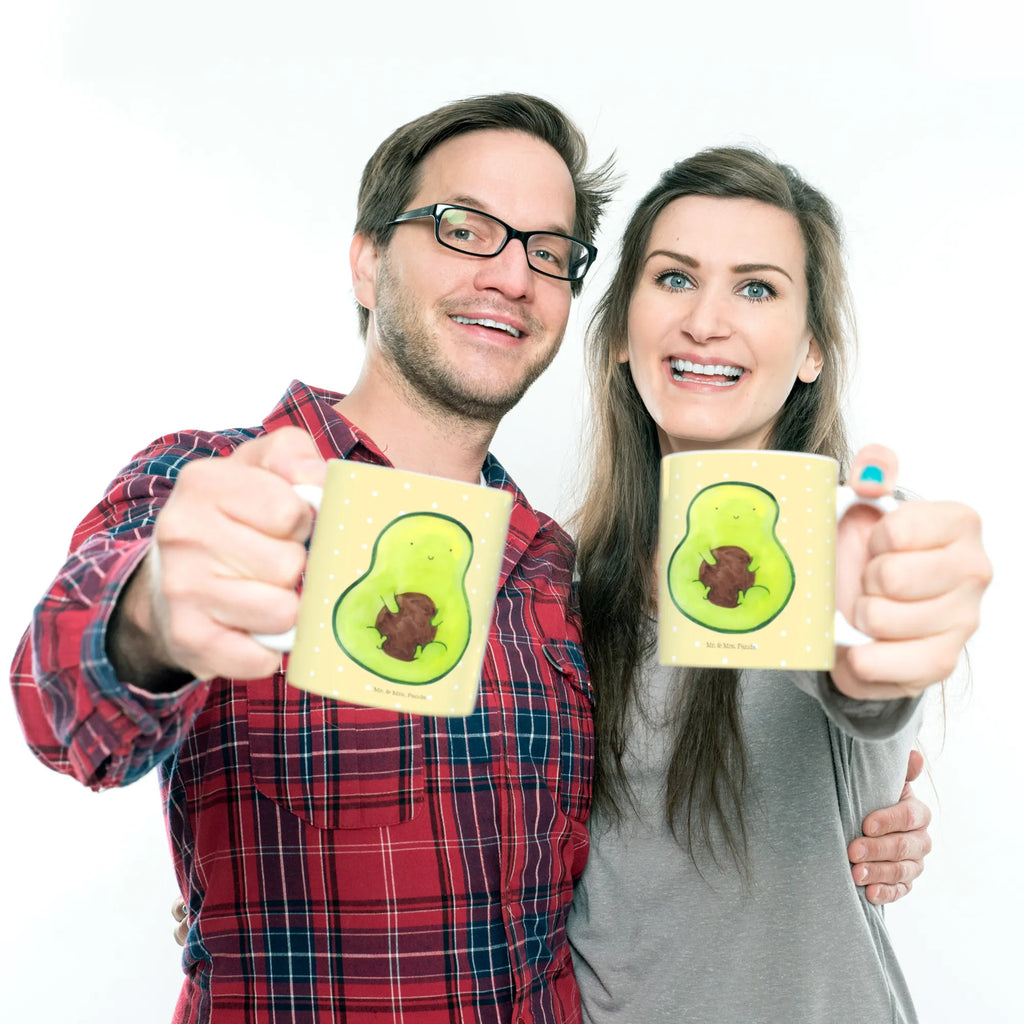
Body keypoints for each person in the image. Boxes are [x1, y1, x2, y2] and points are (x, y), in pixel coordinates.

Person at [11, 94, 950, 1024]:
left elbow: (844, 688)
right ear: (368, 261)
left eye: (546, 251)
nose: (510, 275)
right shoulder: (216, 486)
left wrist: (877, 756)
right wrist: (153, 617)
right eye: (465, 228)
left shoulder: (551, 571)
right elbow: (64, 710)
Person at [566, 146, 991, 1022]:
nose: (706, 322)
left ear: (810, 352)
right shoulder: (562, 583)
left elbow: (868, 683)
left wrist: (886, 641)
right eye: (675, 279)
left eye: (756, 288)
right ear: (619, 332)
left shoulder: (842, 544)